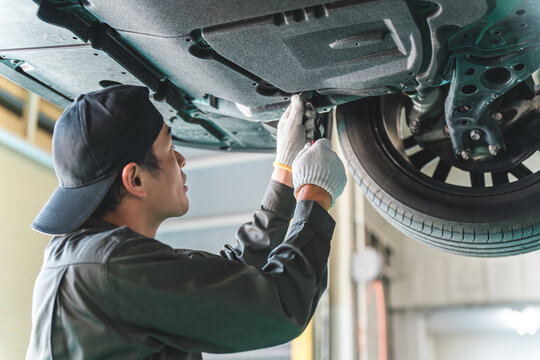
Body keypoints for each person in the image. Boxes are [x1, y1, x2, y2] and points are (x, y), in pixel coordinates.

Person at [26, 85, 347, 360]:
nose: (181, 160)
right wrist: (314, 196)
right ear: (134, 179)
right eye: (169, 148)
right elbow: (280, 308)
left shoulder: (85, 260)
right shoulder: (109, 269)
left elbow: (225, 281)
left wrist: (285, 173)